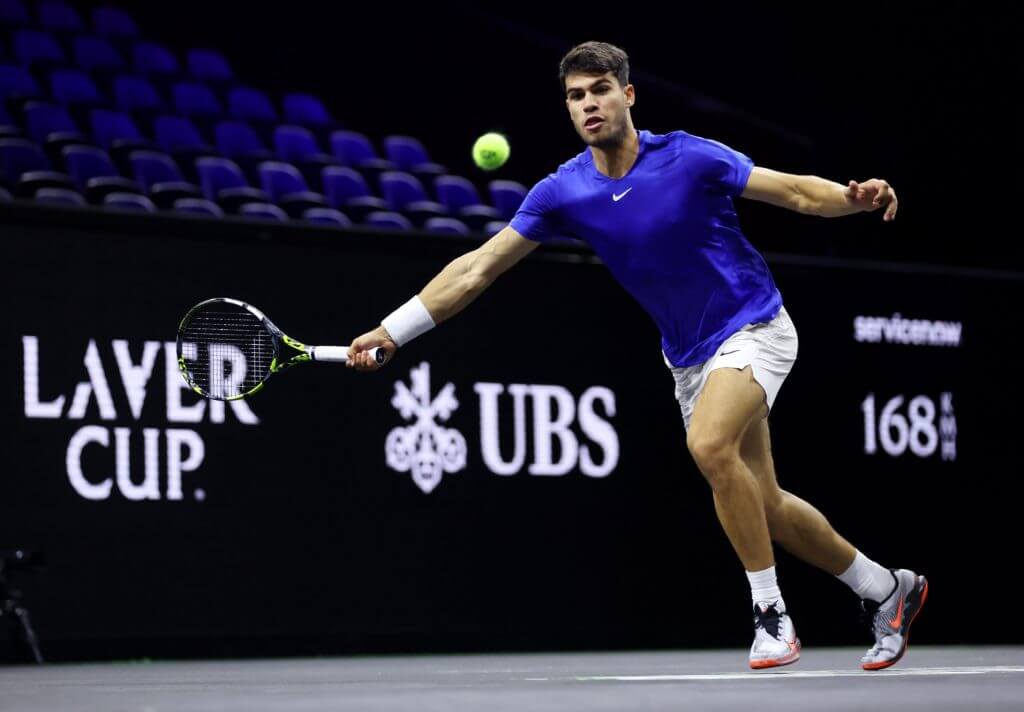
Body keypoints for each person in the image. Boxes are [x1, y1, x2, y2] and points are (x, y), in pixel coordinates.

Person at [347, 41, 926, 670]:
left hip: (755, 324)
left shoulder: (688, 155)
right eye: (575, 96)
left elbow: (792, 192)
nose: (588, 104)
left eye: (599, 89)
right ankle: (886, 588)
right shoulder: (562, 190)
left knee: (708, 447)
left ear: (627, 94)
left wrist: (852, 198)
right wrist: (392, 330)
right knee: (765, 505)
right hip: (687, 357)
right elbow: (478, 268)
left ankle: (771, 615)